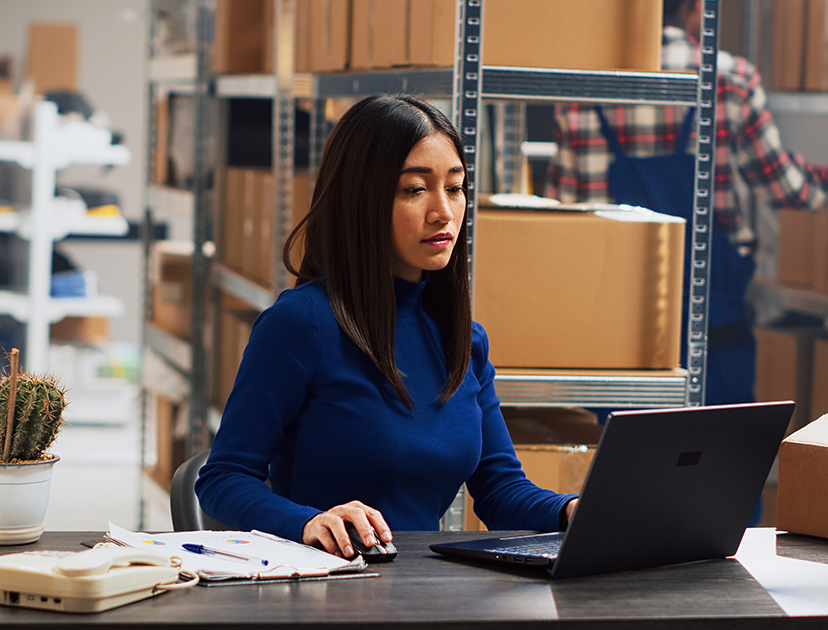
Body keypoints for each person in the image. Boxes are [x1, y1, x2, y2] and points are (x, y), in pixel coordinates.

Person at [196, 95, 578, 558]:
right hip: (324, 591)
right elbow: (223, 478)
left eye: (455, 188)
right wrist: (309, 521)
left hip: (424, 591)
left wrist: (574, 509)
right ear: (362, 199)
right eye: (415, 190)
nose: (444, 212)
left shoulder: (464, 340)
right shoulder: (300, 324)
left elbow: (500, 492)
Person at [545, 0, 828, 405]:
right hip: (712, 326)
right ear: (695, 7)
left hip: (610, 325)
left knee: (620, 460)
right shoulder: (730, 79)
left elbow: (558, 217)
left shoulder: (579, 82)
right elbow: (789, 189)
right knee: (714, 459)